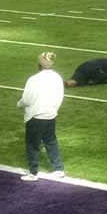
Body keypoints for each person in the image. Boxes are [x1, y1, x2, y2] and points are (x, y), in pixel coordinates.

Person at [19, 52, 67, 181]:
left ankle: (33, 173)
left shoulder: (34, 79)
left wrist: (20, 104)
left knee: (32, 144)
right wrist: (53, 110)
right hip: (51, 115)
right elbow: (60, 96)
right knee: (51, 141)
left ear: (39, 65)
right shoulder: (57, 77)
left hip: (36, 116)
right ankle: (59, 169)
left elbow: (27, 99)